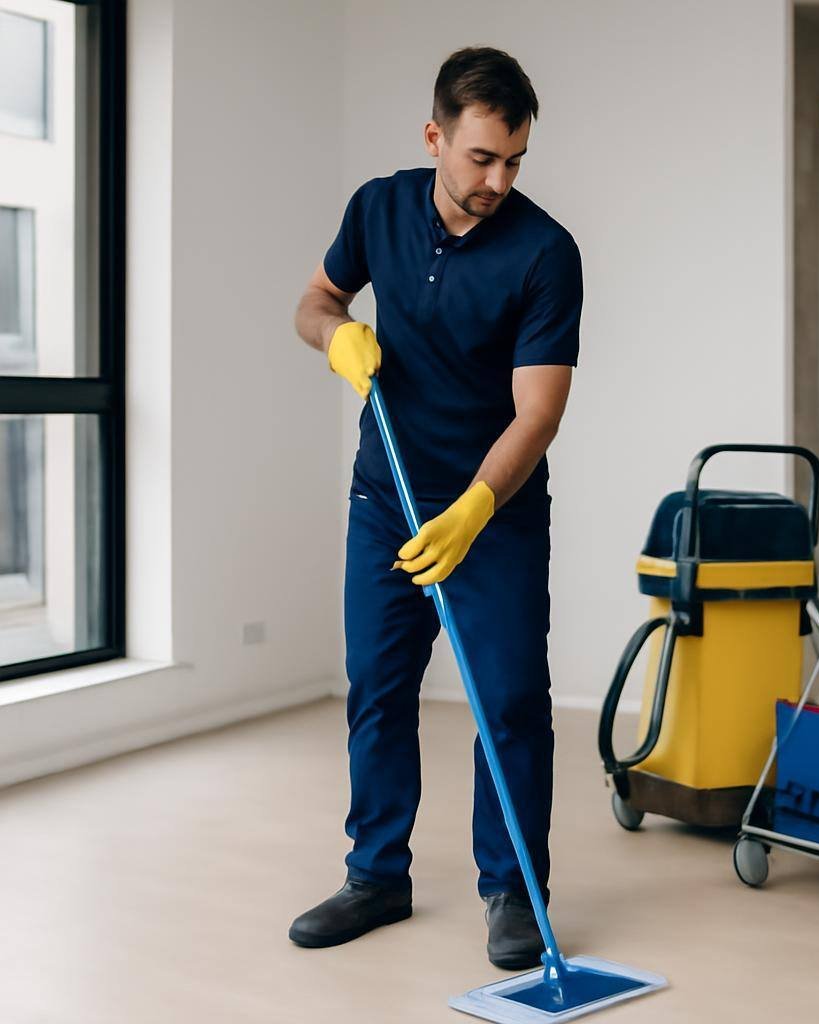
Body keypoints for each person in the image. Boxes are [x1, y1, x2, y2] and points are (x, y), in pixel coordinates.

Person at [289, 46, 583, 970]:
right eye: (482, 157)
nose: (499, 179)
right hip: (385, 498)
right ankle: (376, 875)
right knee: (377, 690)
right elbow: (316, 299)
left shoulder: (545, 252)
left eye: (515, 161)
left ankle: (513, 890)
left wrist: (472, 510)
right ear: (436, 137)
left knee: (507, 700)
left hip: (489, 514)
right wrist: (335, 335)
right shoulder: (376, 207)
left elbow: (538, 412)